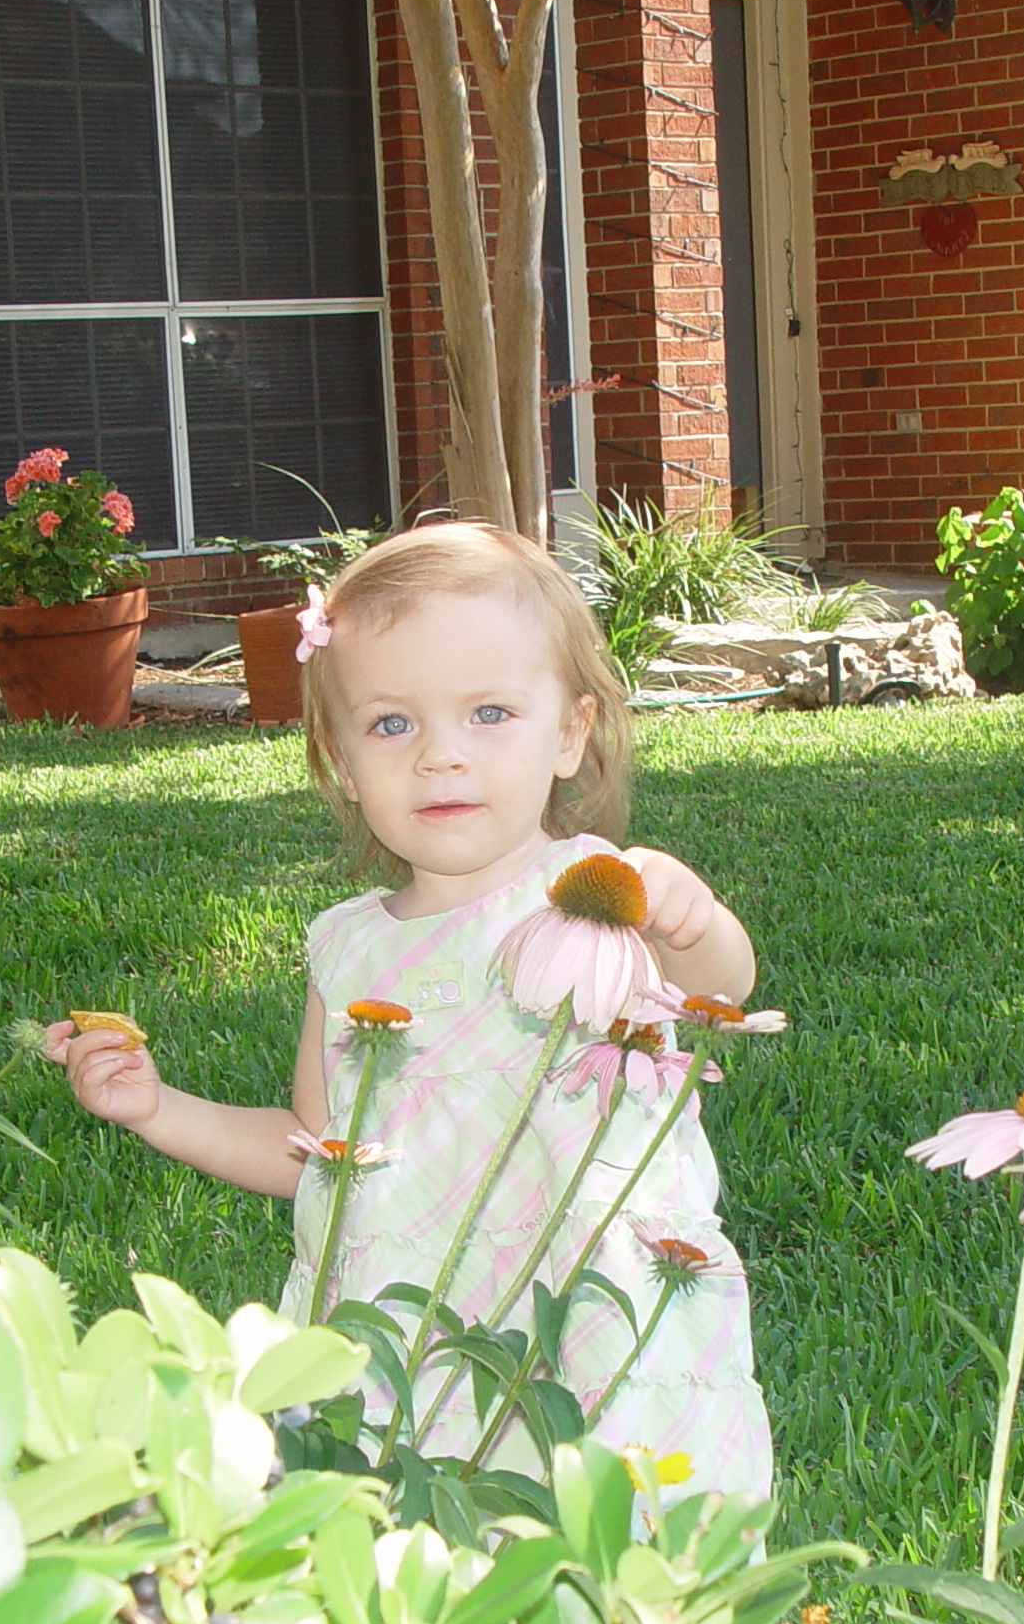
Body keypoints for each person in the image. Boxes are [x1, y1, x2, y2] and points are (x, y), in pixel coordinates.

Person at [52, 522, 773, 1495]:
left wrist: (690, 922)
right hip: (408, 1328)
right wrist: (158, 1109)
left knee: (605, 1520)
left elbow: (722, 991)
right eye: (392, 724)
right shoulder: (348, 949)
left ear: (569, 733)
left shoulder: (593, 896)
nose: (439, 755)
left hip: (585, 1308)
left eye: (488, 714)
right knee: (421, 1520)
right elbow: (316, 1150)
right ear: (341, 762)